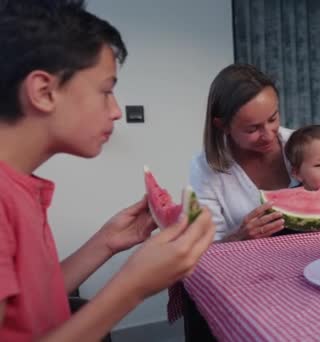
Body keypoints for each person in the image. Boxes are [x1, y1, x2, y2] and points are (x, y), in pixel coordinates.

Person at [0, 1, 215, 341]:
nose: (115, 112)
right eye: (106, 91)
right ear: (43, 91)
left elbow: (29, 302)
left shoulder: (17, 185)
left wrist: (106, 243)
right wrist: (133, 287)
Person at [190, 63, 298, 242]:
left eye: (273, 119)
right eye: (252, 129)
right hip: (247, 267)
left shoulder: (300, 145)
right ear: (222, 125)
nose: (268, 135)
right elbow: (204, 248)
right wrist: (240, 236)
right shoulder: (204, 168)